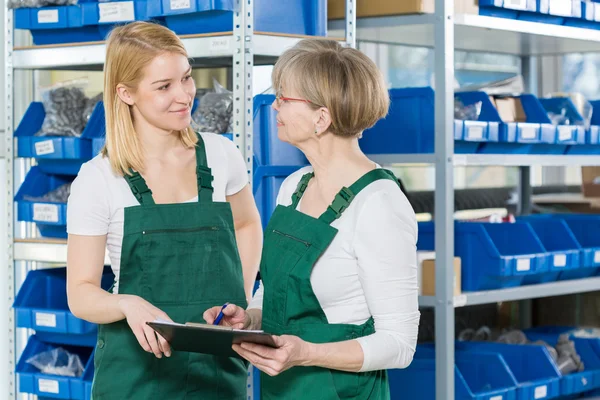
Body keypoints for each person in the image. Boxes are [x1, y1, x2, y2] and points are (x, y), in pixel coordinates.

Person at [204, 39, 420, 399]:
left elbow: (399, 344)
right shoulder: (294, 187)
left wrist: (307, 353)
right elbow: (276, 289)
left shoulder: (379, 204)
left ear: (321, 118)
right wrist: (250, 319)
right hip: (282, 389)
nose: (274, 105)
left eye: (284, 98)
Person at [66, 21, 262, 400]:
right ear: (125, 93)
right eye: (164, 87)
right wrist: (127, 304)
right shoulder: (99, 179)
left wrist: (240, 294)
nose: (184, 95)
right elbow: (80, 293)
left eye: (186, 78)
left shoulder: (221, 154)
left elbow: (246, 222)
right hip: (136, 377)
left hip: (216, 371)